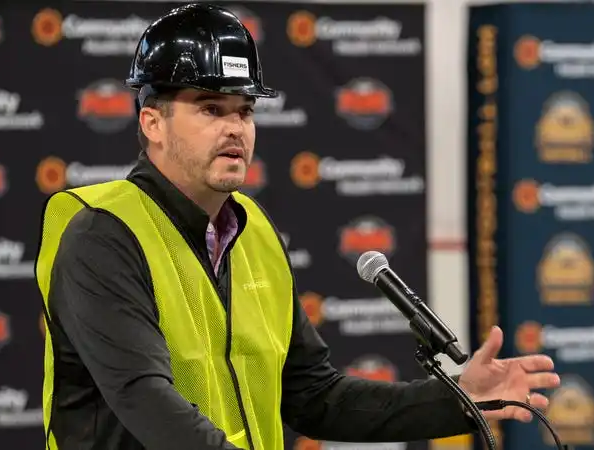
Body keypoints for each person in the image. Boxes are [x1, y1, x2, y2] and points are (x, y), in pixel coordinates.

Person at [34, 4, 561, 450]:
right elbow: (147, 403)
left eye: (244, 110)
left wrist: (458, 398)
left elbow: (314, 396)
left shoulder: (253, 231)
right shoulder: (101, 235)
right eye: (211, 109)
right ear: (152, 121)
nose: (235, 128)